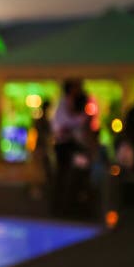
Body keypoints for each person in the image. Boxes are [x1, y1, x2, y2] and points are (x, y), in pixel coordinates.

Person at [52, 79, 86, 214]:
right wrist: (82, 119)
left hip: (66, 144)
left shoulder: (68, 102)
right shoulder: (64, 102)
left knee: (67, 174)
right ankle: (63, 206)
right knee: (65, 175)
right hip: (65, 144)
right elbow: (63, 123)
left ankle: (65, 204)